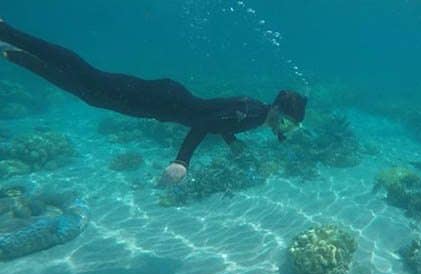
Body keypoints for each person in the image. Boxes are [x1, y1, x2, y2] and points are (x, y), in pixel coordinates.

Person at [0, 18, 307, 185]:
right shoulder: (252, 115)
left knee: (90, 87)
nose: (285, 130)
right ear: (279, 110)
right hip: (159, 101)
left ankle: (12, 51)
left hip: (165, 99)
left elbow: (217, 118)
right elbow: (203, 123)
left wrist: (231, 142)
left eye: (290, 129)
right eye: (289, 124)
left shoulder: (256, 112)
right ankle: (8, 38)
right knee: (89, 82)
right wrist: (182, 161)